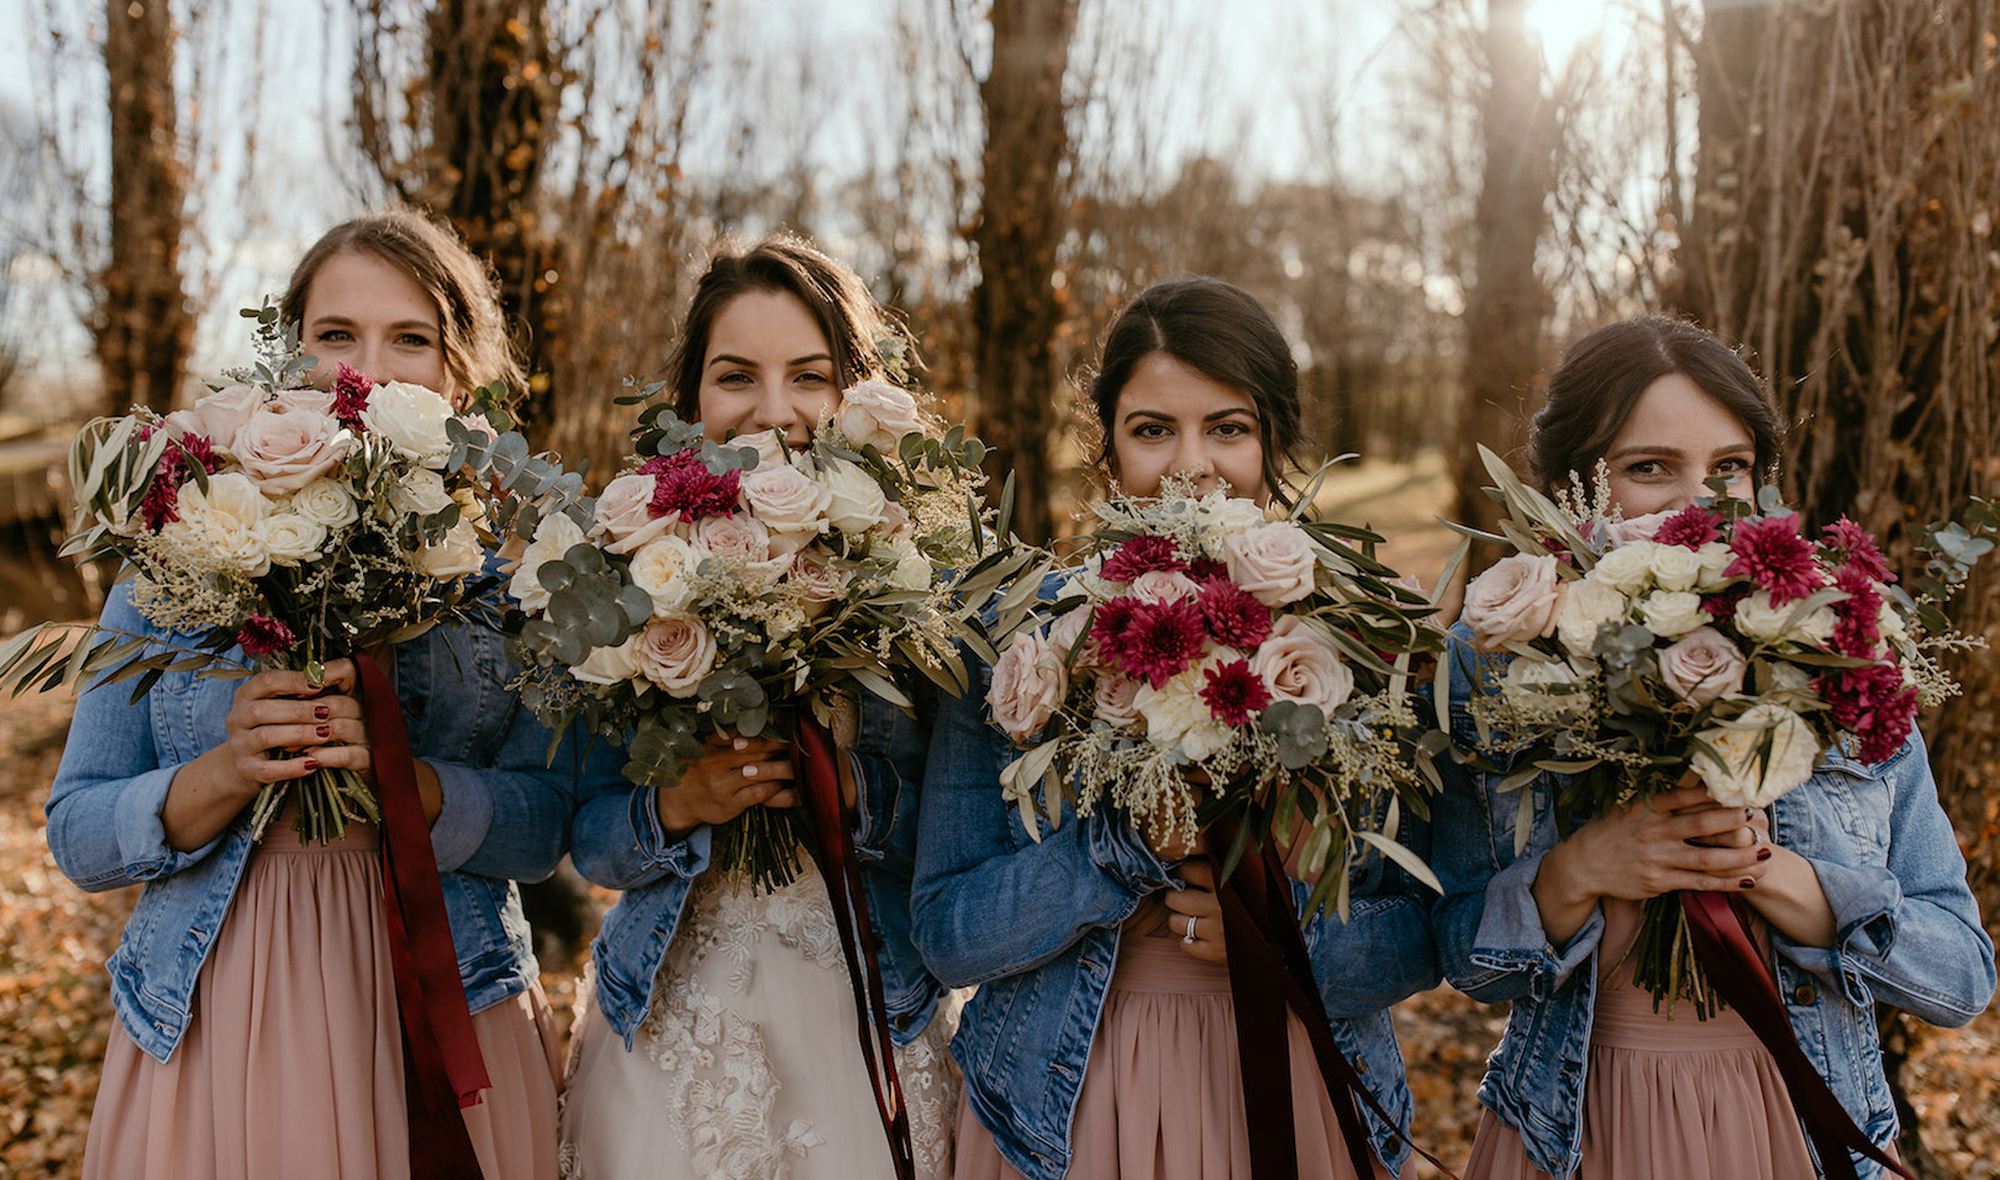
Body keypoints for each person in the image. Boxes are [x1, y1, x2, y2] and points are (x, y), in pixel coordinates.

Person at [47, 209, 572, 1180]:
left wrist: (414, 789)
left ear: (462, 379)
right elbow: (77, 831)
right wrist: (224, 770)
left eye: (410, 338)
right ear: (288, 359)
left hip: (451, 994)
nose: (366, 370)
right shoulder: (178, 551)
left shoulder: (504, 581)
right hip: (226, 1003)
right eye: (337, 335)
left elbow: (546, 828)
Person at [1431, 314, 1996, 1179]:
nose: (1698, 505)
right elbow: (1462, 956)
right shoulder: (1495, 660)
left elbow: (1960, 975)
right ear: (1571, 488)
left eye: (1728, 468)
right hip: (1578, 1128)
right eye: (1649, 467)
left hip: (1798, 1125)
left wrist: (1779, 876)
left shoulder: (1838, 651)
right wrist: (1579, 871)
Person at [909, 277, 1437, 1180]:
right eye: (1153, 429)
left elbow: (1429, 931)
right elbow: (947, 931)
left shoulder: (1363, 641)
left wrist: (1283, 942)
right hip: (1071, 1098)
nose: (1192, 463)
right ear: (1109, 446)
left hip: (1296, 1078)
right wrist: (1115, 850)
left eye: (1227, 427)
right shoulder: (1019, 641)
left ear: (1274, 442)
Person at [556, 234, 959, 1179]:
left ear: (853, 391)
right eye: (737, 375)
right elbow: (590, 836)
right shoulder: (631, 568)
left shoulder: (920, 581)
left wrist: (851, 790)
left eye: (810, 376)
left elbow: (956, 835)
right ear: (691, 396)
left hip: (870, 1000)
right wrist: (676, 805)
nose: (774, 412)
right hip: (672, 1004)